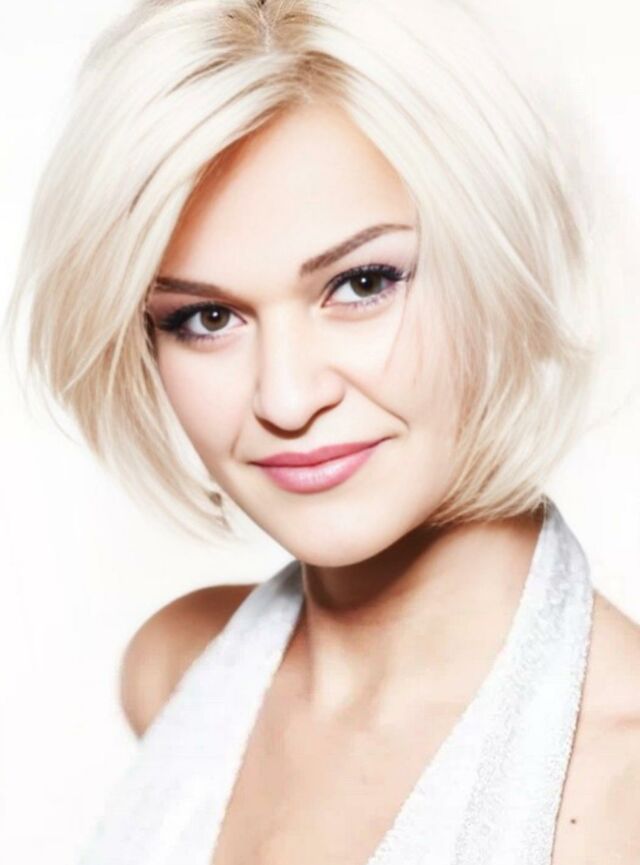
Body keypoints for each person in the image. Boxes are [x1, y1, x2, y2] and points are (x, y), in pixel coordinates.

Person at [7, 0, 640, 863]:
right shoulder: (176, 667)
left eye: (362, 282)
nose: (287, 396)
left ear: (500, 257)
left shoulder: (619, 786)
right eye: (206, 317)